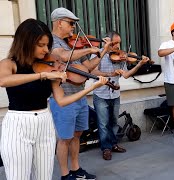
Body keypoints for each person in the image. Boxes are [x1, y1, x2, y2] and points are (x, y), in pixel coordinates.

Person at [0, 18, 107, 180]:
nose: (46, 50)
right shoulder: (9, 64)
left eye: (47, 45)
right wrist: (42, 75)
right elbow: (3, 80)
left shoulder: (50, 67)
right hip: (18, 124)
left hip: (44, 122)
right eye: (40, 45)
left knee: (44, 176)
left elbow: (62, 101)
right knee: (18, 176)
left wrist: (91, 88)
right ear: (26, 42)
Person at [49, 7, 110, 180]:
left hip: (80, 95)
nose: (74, 27)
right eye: (71, 23)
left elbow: (89, 67)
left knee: (77, 135)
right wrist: (89, 50)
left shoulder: (73, 43)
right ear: (59, 22)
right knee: (64, 138)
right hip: (63, 98)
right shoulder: (52, 42)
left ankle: (76, 169)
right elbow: (62, 56)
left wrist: (103, 50)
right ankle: (64, 174)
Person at [90, 31, 150, 160]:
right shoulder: (98, 54)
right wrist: (110, 74)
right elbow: (92, 71)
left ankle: (113, 144)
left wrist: (139, 64)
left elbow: (126, 75)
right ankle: (106, 148)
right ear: (108, 41)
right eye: (115, 43)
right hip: (101, 94)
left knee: (114, 122)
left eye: (119, 43)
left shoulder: (121, 56)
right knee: (103, 124)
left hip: (115, 94)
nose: (118, 46)